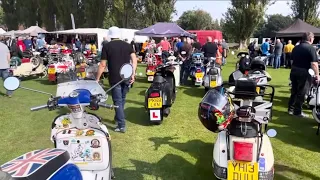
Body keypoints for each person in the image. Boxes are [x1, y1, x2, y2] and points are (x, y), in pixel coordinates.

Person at [96, 26, 137, 133]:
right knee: (122, 99)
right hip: (126, 76)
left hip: (115, 77)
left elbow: (102, 64)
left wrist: (97, 79)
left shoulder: (107, 46)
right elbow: (134, 59)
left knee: (118, 101)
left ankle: (121, 125)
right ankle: (118, 117)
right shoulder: (127, 45)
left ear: (110, 36)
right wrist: (133, 73)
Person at [288, 32, 319, 117]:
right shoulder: (311, 48)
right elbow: (314, 64)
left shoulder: (296, 47)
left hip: (294, 70)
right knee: (302, 92)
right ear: (310, 39)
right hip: (304, 72)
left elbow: (291, 61)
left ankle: (290, 109)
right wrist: (317, 74)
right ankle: (297, 112)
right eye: (313, 38)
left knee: (294, 91)